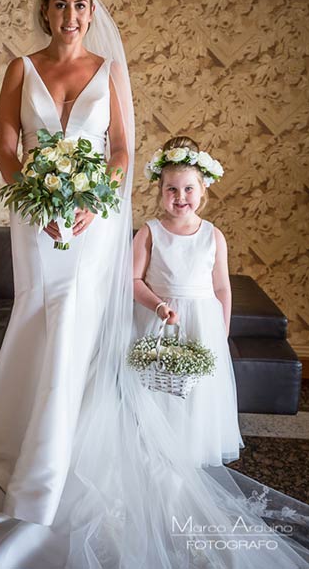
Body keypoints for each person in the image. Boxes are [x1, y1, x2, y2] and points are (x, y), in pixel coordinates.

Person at [0, 0, 309, 568]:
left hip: (94, 223)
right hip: (36, 224)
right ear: (46, 11)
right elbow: (6, 147)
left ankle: (60, 454)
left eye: (80, 5)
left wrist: (91, 203)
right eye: (60, 4)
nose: (71, 14)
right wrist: (37, 198)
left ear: (92, 13)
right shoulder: (21, 68)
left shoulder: (110, 70)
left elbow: (120, 150)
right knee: (41, 315)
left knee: (77, 324)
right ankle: (30, 435)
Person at [133, 135, 243, 467]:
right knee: (159, 384)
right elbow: (133, 281)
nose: (180, 197)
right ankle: (155, 447)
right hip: (161, 320)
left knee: (197, 393)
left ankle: (190, 451)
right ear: (160, 191)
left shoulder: (213, 235)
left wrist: (221, 332)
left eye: (188, 189)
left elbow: (222, 288)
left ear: (202, 190)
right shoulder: (149, 232)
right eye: (172, 189)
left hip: (202, 324)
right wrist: (157, 306)